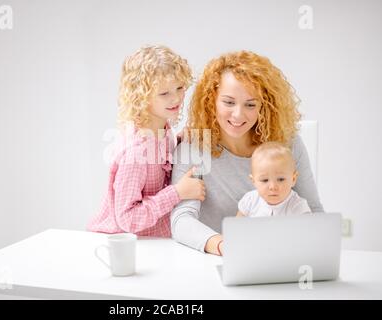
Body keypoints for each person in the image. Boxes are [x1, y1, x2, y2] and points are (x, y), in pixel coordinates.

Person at [170, 50, 323, 254]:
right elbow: (181, 219)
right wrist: (223, 246)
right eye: (229, 102)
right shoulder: (194, 146)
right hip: (216, 260)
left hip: (279, 256)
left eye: (250, 104)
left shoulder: (288, 144)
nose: (238, 114)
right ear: (211, 100)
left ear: (264, 105)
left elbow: (313, 209)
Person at [87, 45, 205, 237]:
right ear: (141, 97)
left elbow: (159, 160)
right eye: (164, 93)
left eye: (180, 88)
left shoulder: (162, 129)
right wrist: (177, 193)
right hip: (120, 243)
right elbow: (128, 219)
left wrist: (179, 139)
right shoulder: (135, 153)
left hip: (148, 241)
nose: (176, 98)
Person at [236, 141, 311, 218]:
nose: (273, 186)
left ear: (293, 179)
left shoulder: (298, 206)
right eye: (265, 180)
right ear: (253, 181)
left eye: (281, 179)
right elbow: (236, 227)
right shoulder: (249, 201)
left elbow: (307, 229)